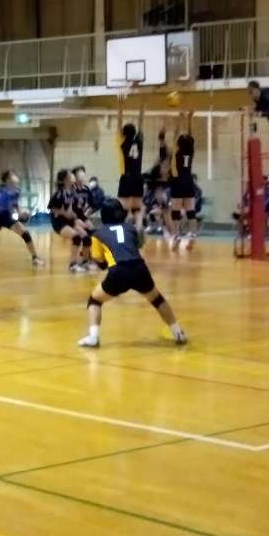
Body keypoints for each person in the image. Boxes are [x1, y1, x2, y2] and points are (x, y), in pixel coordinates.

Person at [78, 198, 187, 348]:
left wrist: (89, 255)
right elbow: (135, 245)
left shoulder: (98, 234)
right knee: (157, 299)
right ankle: (178, 332)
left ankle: (93, 337)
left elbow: (101, 264)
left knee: (95, 300)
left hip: (118, 272)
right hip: (139, 268)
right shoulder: (130, 228)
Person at [0, 170, 44, 266]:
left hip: (8, 217)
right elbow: (5, 207)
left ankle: (35, 258)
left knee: (25, 234)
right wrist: (20, 214)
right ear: (8, 180)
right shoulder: (3, 191)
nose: (16, 177)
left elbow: (16, 204)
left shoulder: (17, 190)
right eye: (13, 175)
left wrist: (20, 212)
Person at [48, 169, 91, 273]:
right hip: (59, 222)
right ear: (66, 179)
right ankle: (73, 265)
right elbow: (52, 208)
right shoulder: (59, 194)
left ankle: (85, 262)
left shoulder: (73, 192)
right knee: (76, 237)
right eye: (71, 175)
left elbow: (74, 207)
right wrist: (64, 213)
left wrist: (77, 217)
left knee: (86, 237)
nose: (73, 176)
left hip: (69, 221)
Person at [169, 113, 197, 250]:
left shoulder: (176, 152)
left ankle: (176, 237)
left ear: (178, 144)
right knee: (191, 213)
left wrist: (179, 121)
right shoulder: (191, 151)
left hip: (177, 181)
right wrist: (190, 118)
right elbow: (191, 136)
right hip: (188, 181)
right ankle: (192, 237)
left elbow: (175, 136)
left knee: (175, 213)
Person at [117, 94, 145, 228]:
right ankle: (138, 228)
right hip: (138, 177)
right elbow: (141, 124)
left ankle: (124, 232)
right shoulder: (139, 141)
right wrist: (142, 108)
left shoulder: (122, 142)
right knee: (137, 209)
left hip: (127, 177)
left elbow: (119, 125)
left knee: (123, 209)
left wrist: (120, 107)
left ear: (124, 133)